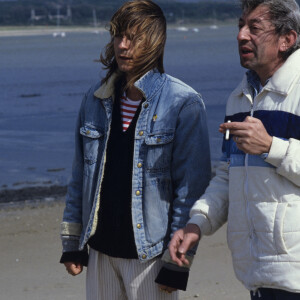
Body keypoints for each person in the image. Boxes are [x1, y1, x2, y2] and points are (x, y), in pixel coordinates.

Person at [59, 1, 211, 299]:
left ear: (154, 43)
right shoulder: (94, 99)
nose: (123, 46)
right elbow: (80, 177)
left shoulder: (183, 103)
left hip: (150, 255)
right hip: (100, 251)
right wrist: (72, 245)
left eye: (134, 37)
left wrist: (178, 263)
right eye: (118, 36)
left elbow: (190, 190)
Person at [169, 0, 300, 299]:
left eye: (254, 28)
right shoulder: (239, 100)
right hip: (255, 274)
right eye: (240, 26)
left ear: (287, 39)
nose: (241, 35)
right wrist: (196, 223)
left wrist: (270, 147)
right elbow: (228, 176)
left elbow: (271, 152)